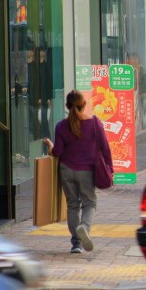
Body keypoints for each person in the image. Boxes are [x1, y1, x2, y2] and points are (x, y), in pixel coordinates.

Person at [43, 91, 112, 254]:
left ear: (67, 106)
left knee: (73, 205)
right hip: (86, 171)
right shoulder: (94, 122)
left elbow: (58, 152)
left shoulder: (60, 126)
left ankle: (76, 244)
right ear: (84, 105)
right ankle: (84, 227)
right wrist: (110, 168)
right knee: (89, 203)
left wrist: (50, 146)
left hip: (66, 170)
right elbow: (105, 147)